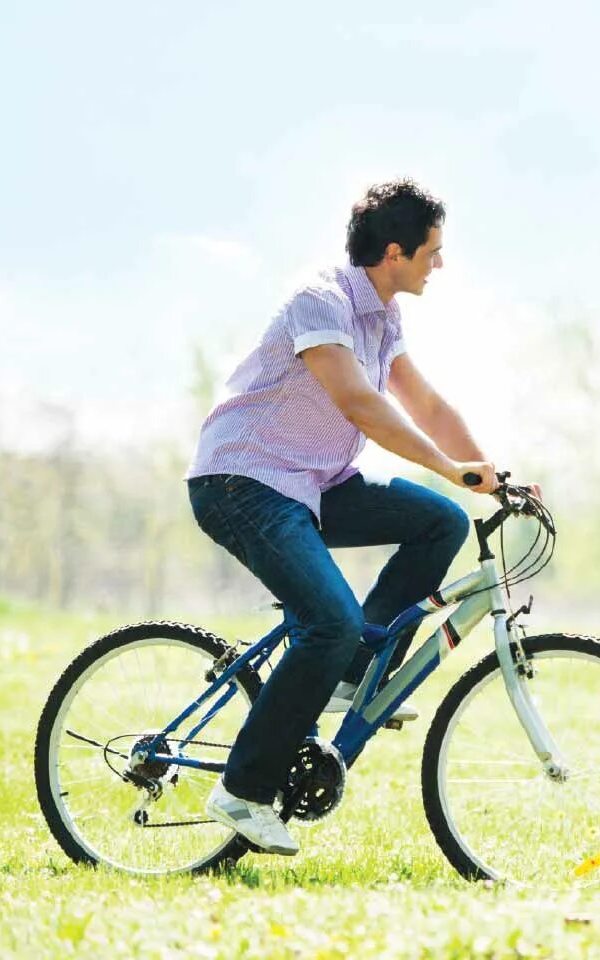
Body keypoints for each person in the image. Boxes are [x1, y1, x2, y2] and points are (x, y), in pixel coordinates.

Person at [186, 179, 508, 855]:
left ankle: (353, 666)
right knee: (327, 619)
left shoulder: (383, 318)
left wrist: (487, 475)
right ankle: (243, 791)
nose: (439, 265)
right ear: (394, 252)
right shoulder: (321, 299)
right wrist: (447, 468)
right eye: (432, 252)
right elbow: (362, 405)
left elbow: (426, 405)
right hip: (245, 480)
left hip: (315, 483)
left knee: (440, 523)